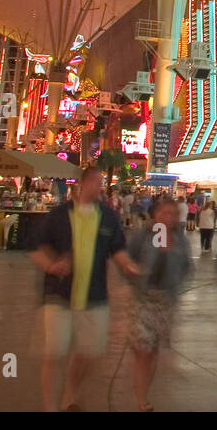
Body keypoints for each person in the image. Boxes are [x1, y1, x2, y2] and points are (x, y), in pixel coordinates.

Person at [29, 166, 140, 411]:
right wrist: (52, 265)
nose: (98, 187)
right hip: (58, 295)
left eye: (100, 183)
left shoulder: (108, 217)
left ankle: (71, 393)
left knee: (89, 351)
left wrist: (129, 266)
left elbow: (117, 249)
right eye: (94, 182)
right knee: (55, 352)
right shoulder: (59, 215)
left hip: (94, 296)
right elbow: (37, 248)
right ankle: (50, 406)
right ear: (81, 184)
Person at [126, 197, 190, 411]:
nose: (168, 218)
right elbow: (126, 259)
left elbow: (187, 266)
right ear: (156, 214)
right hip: (143, 300)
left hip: (165, 302)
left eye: (173, 214)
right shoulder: (144, 236)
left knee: (152, 352)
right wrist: (133, 278)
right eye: (164, 213)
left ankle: (143, 394)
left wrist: (177, 286)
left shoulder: (180, 240)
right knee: (142, 351)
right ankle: (141, 401)